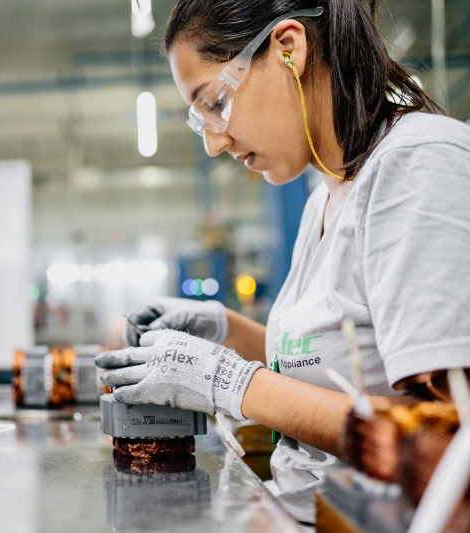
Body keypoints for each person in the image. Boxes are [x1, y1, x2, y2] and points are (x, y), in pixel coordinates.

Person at [95, 0, 470, 524]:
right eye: (198, 118)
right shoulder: (324, 195)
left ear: (288, 48)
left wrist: (228, 381)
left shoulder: (415, 167)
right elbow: (334, 365)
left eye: (216, 103)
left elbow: (447, 441)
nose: (213, 142)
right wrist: (226, 331)